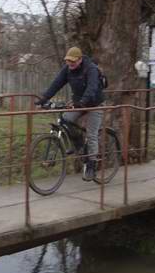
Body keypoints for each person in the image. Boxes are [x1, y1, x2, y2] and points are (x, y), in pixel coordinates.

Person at [36, 46, 105, 181]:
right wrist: (43, 99)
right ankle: (79, 145)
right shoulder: (67, 69)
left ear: (80, 59)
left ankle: (91, 166)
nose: (70, 64)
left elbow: (92, 87)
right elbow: (56, 84)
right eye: (68, 61)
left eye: (73, 61)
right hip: (79, 103)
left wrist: (83, 101)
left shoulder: (90, 68)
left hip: (95, 104)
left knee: (92, 135)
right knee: (65, 119)